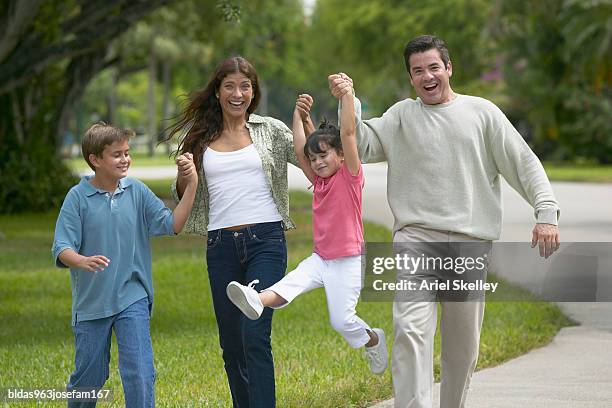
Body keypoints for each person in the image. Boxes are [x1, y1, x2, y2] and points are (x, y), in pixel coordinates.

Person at [329, 35, 561, 408]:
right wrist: (348, 101)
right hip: (415, 238)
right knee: (409, 332)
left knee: (462, 347)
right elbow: (362, 143)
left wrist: (545, 213)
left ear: (449, 68)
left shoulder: (481, 113)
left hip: (469, 243)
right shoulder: (402, 115)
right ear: (410, 78)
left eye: (433, 67)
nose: (427, 76)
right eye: (418, 71)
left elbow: (524, 162)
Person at [164, 56, 314, 408]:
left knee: (255, 334)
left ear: (253, 91)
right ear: (217, 92)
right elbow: (183, 192)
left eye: (245, 86)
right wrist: (186, 175)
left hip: (266, 242)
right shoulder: (199, 138)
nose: (238, 93)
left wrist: (304, 121)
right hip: (221, 247)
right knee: (231, 344)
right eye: (229, 86)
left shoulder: (270, 130)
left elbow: (311, 158)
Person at [225, 88, 389, 375]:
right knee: (291, 283)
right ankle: (257, 299)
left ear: (341, 155)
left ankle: (373, 339)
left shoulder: (350, 177)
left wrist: (347, 96)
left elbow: (348, 133)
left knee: (342, 321)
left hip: (348, 260)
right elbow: (302, 152)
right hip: (321, 258)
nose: (317, 163)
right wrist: (297, 116)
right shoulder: (320, 182)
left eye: (323, 156)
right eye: (314, 160)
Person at [52, 123, 198, 408]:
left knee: (140, 372)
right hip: (92, 303)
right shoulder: (77, 198)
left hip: (133, 295)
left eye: (127, 153)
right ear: (95, 160)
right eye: (116, 154)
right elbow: (62, 248)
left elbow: (173, 224)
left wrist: (191, 185)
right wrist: (81, 260)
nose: (125, 159)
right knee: (89, 377)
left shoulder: (137, 191)